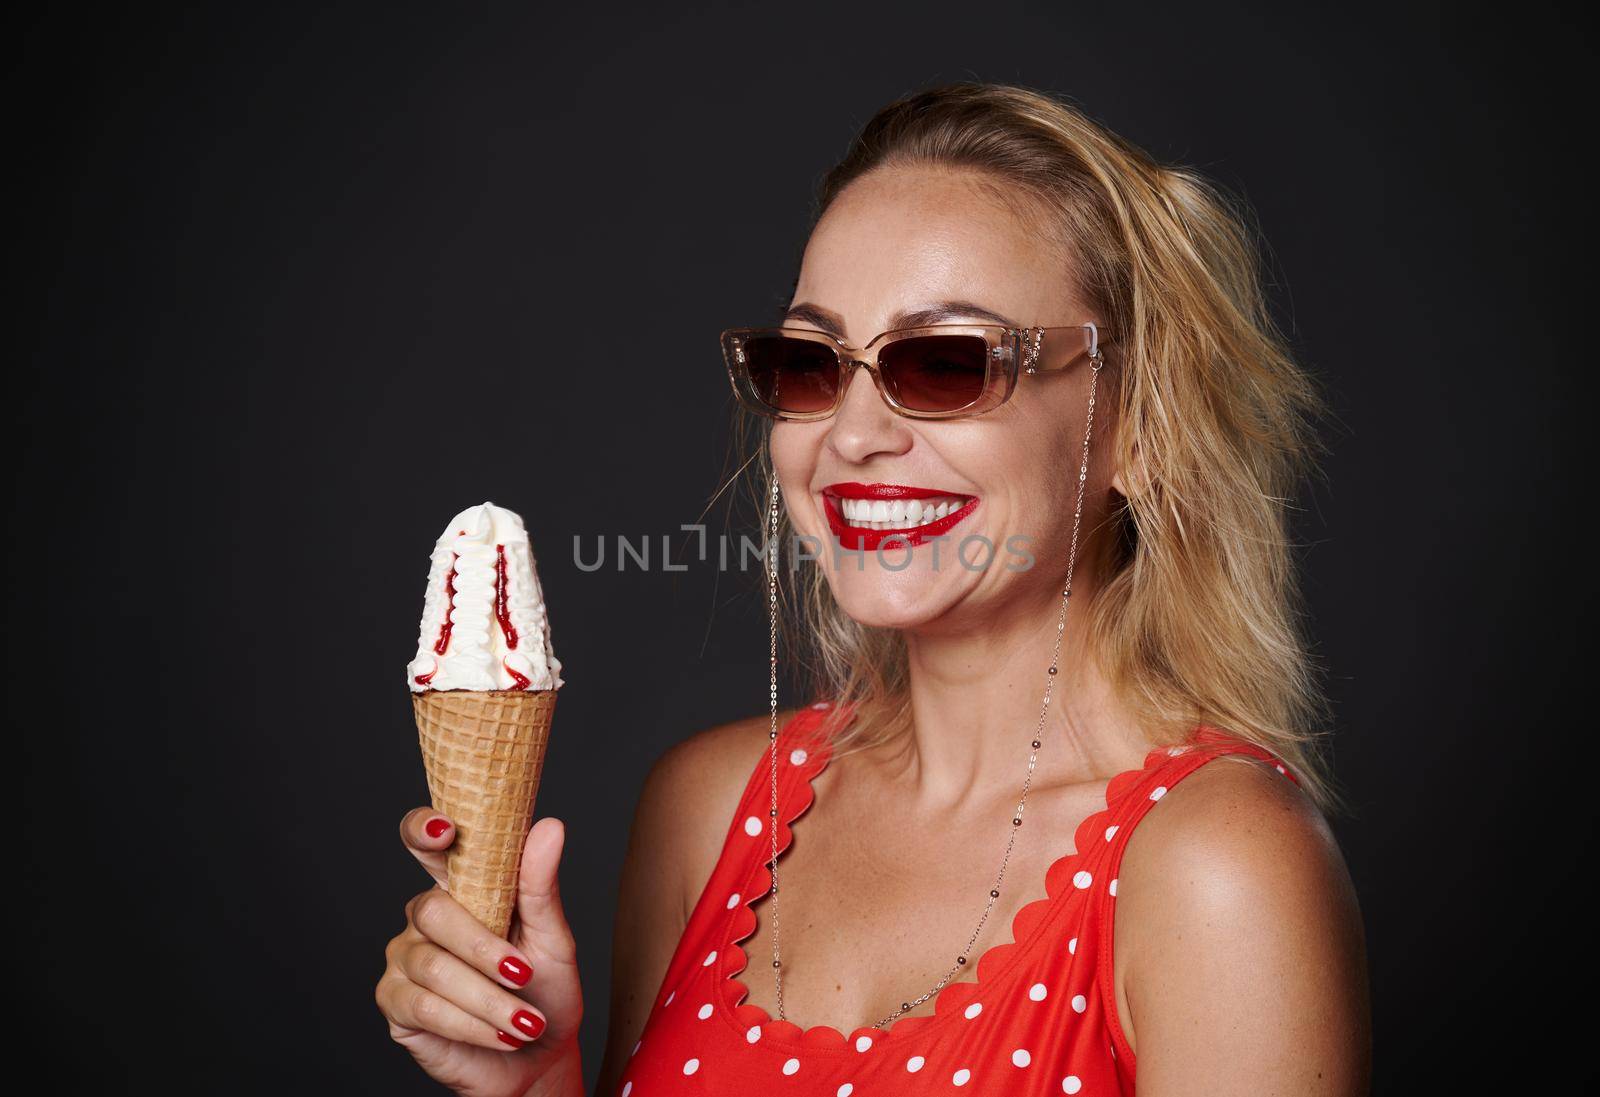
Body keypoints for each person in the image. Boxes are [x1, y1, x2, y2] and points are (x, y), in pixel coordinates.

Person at [375, 81, 1371, 1096]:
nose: (851, 436)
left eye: (944, 362)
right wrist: (533, 1080)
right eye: (810, 363)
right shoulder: (708, 806)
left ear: (1145, 430)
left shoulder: (1219, 867)